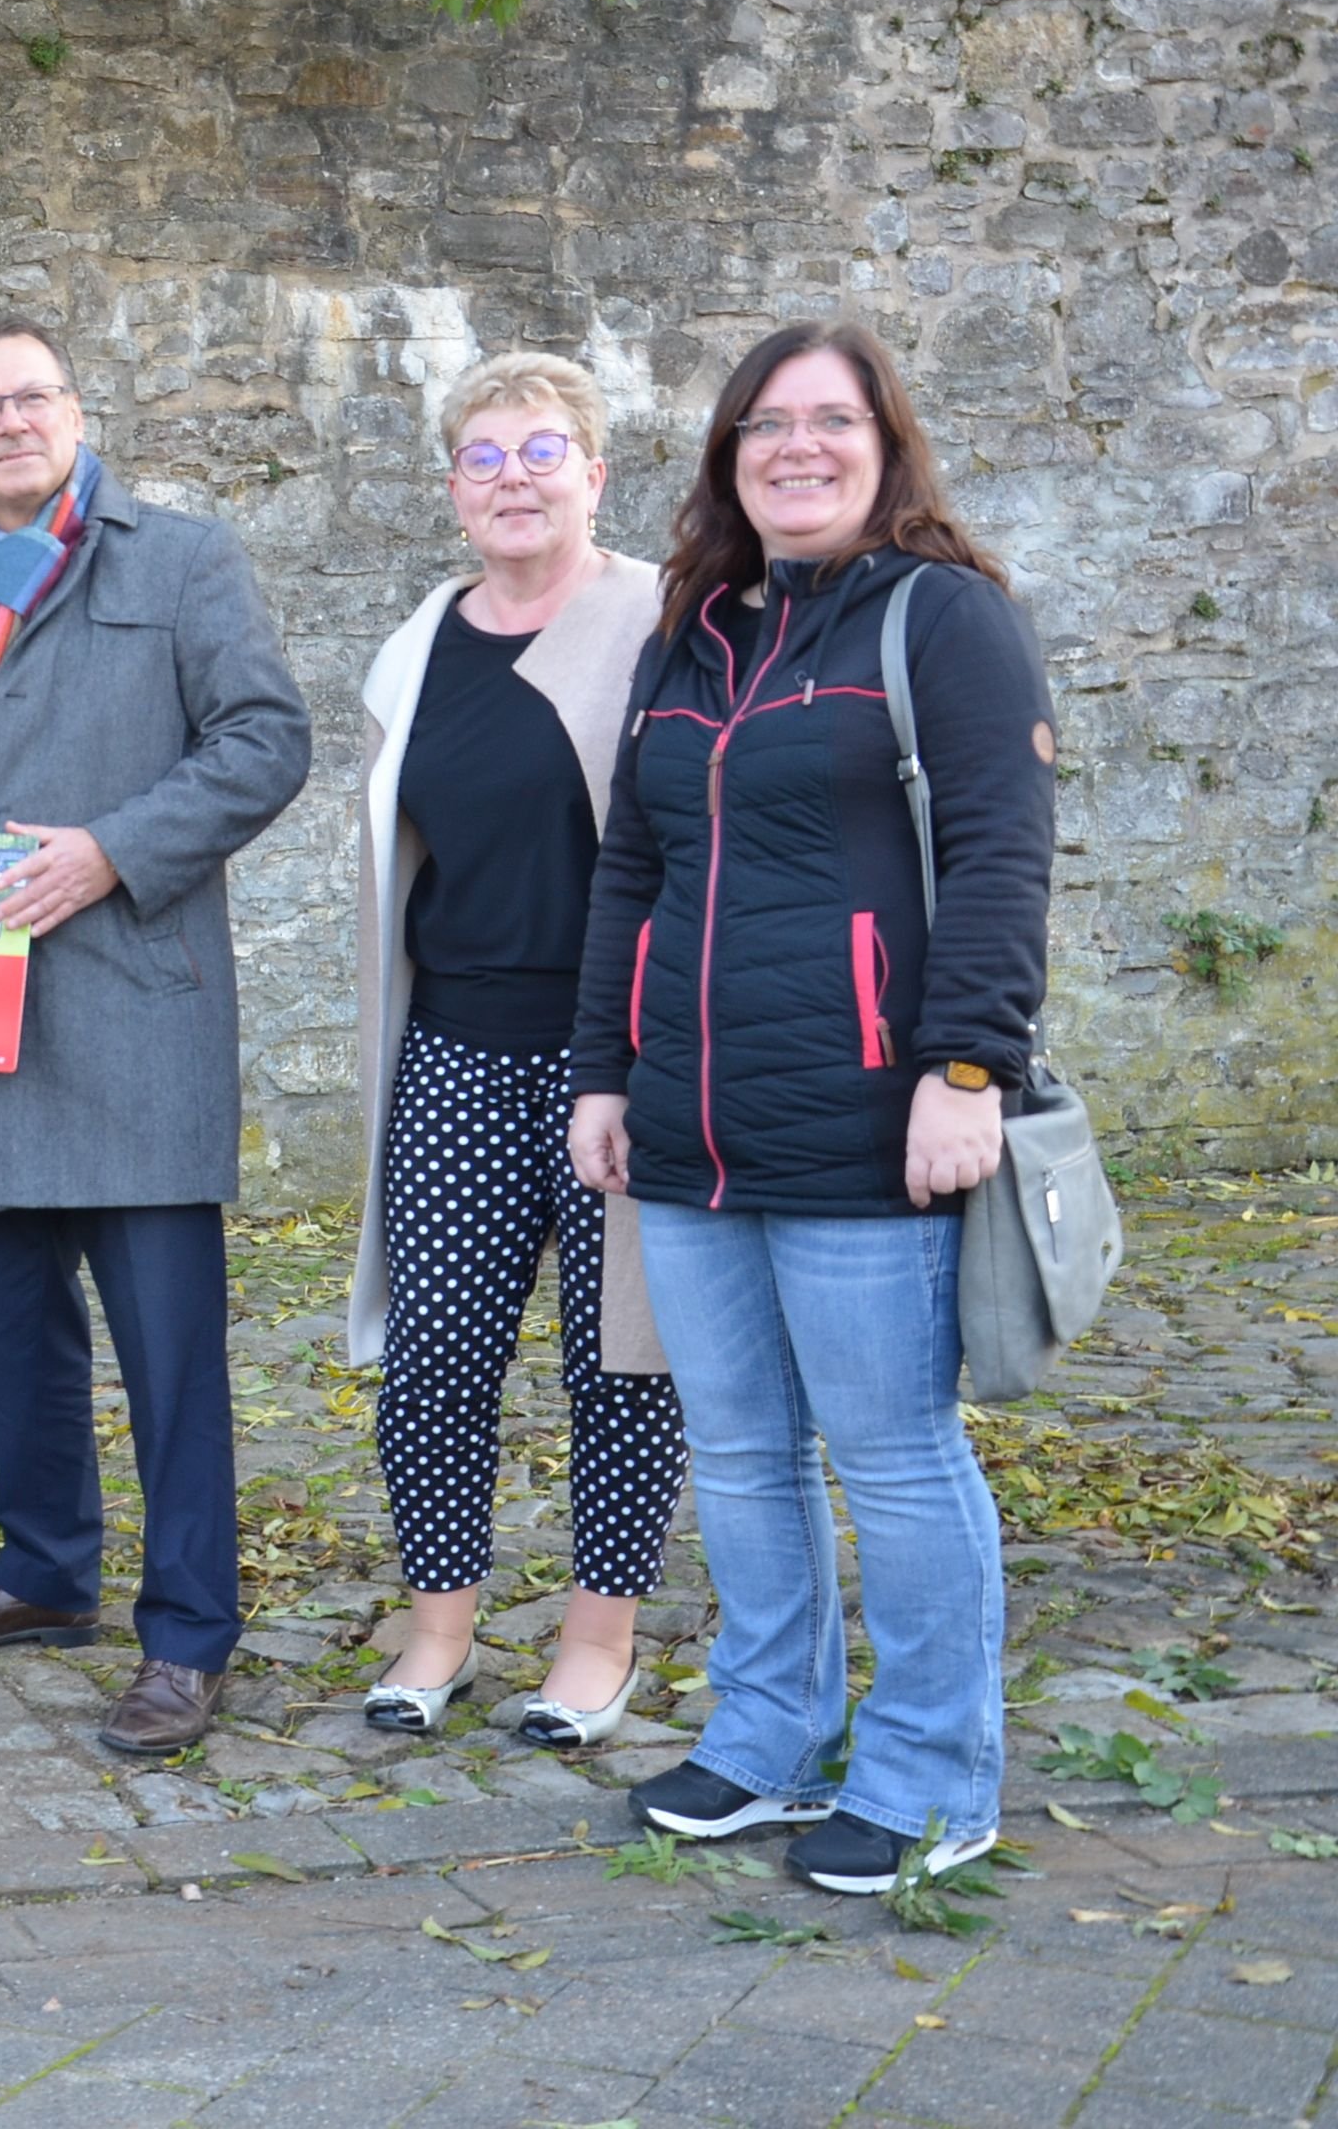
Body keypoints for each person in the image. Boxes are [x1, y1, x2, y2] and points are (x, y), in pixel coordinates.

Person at [569, 320, 1054, 1895]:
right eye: (765, 426)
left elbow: (999, 855)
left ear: (884, 443)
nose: (797, 448)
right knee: (740, 1452)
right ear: (728, 459)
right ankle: (769, 1740)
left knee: (896, 1456)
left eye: (830, 422)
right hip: (696, 1128)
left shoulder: (945, 621)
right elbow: (631, 871)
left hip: (868, 1125)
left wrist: (964, 1067)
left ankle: (928, 1777)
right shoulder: (690, 637)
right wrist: (602, 1071)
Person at [0, 312, 311, 1758]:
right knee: (11, 1340)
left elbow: (263, 739)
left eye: (31, 396)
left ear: (75, 411)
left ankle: (187, 1636)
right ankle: (44, 1573)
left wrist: (112, 849)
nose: (8, 422)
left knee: (170, 1361)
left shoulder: (180, 563)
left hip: (138, 1017)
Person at [349, 354, 684, 1746]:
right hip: (457, 1053)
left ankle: (597, 1644)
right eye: (484, 458)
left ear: (596, 474)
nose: (514, 481)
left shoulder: (671, 621)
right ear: (451, 490)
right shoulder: (424, 639)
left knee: (622, 1360)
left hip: (623, 1058)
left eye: (542, 452)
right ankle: (439, 1628)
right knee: (436, 1357)